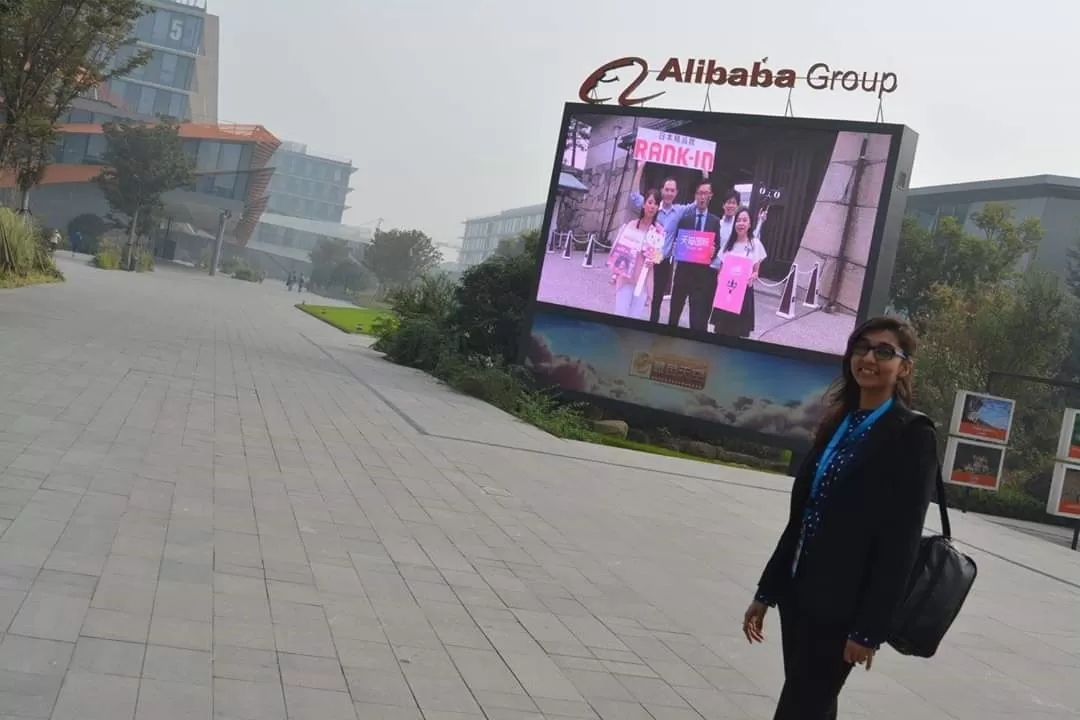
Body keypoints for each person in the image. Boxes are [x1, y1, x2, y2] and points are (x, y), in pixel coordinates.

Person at [743, 316, 940, 720]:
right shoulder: (839, 422)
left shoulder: (912, 435)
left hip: (845, 607)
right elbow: (803, 515)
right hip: (799, 595)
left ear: (903, 367)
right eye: (861, 347)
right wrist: (767, 590)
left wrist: (870, 628)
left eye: (884, 351)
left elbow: (900, 541)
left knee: (799, 707)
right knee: (813, 705)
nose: (869, 358)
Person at [628, 160, 701, 323]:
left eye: (672, 190)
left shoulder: (680, 211)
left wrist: (704, 174)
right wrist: (641, 167)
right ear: (662, 190)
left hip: (663, 262)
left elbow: (697, 203)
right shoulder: (652, 206)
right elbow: (634, 195)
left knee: (657, 299)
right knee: (637, 292)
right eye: (666, 189)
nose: (669, 193)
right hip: (644, 259)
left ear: (676, 193)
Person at [668, 181, 722, 331]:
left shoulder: (715, 221)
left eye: (706, 193)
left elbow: (717, 244)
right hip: (683, 274)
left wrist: (713, 252)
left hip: (702, 278)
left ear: (711, 196)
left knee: (697, 319)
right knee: (674, 314)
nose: (702, 197)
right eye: (700, 193)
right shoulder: (685, 219)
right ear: (695, 196)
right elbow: (678, 242)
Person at [606, 189, 665, 319]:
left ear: (658, 207)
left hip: (643, 281)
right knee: (620, 313)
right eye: (650, 202)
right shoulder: (632, 225)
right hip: (626, 277)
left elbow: (660, 256)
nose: (652, 206)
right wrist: (615, 273)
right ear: (644, 204)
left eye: (655, 203)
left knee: (635, 316)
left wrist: (653, 259)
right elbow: (619, 251)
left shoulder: (659, 231)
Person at [712, 206, 767, 338]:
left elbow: (756, 271)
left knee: (737, 332)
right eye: (738, 220)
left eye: (744, 220)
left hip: (743, 294)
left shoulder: (755, 244)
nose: (741, 223)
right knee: (721, 330)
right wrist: (720, 278)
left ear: (750, 224)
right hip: (726, 293)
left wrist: (752, 277)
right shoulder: (729, 245)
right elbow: (721, 269)